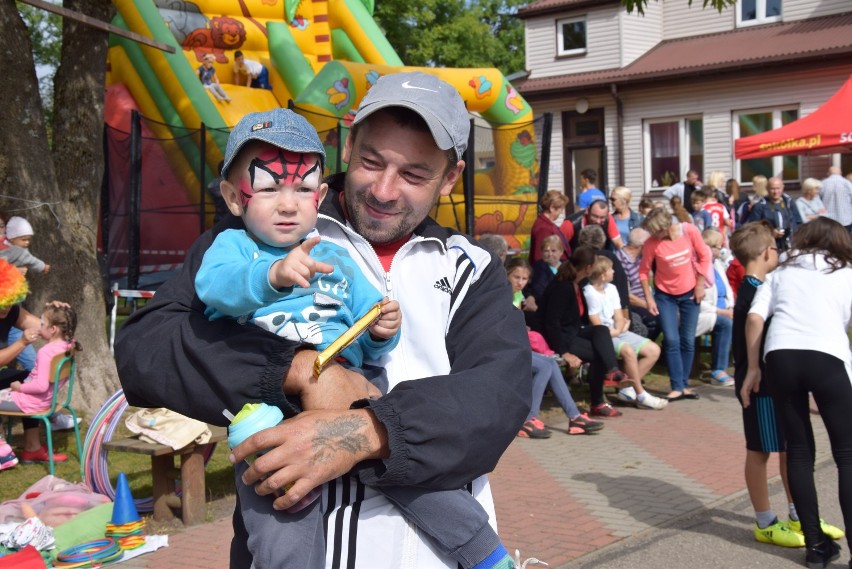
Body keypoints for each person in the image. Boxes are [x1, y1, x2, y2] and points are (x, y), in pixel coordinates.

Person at [115, 71, 532, 569]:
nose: (383, 189)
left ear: (450, 178)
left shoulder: (471, 268)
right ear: (348, 143)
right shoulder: (259, 235)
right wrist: (302, 372)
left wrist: (363, 431)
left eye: (414, 175)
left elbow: (497, 396)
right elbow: (145, 349)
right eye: (370, 161)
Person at [742, 217, 851, 568]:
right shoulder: (845, 271)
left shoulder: (781, 272)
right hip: (827, 358)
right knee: (847, 455)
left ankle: (816, 549)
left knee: (800, 452)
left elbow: (755, 318)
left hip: (781, 358)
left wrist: (753, 368)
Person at [728, 223, 819, 550]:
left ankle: (799, 513)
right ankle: (765, 521)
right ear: (767, 252)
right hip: (759, 385)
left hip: (774, 382)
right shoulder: (753, 291)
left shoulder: (760, 286)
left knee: (786, 448)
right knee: (761, 450)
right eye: (776, 249)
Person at [505, 258, 604, 437]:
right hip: (501, 350)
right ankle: (527, 420)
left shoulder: (518, 296)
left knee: (550, 364)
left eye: (524, 279)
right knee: (544, 366)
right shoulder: (500, 296)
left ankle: (574, 418)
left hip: (515, 347)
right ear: (507, 275)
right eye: (516, 277)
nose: (520, 282)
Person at [538, 246, 629, 419]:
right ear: (588, 268)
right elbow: (551, 323)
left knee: (601, 330)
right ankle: (598, 403)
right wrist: (564, 352)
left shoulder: (577, 283)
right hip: (558, 337)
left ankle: (612, 370)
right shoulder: (563, 287)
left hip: (572, 331)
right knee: (597, 353)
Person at [0, 260, 74, 467]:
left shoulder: (13, 310)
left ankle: (32, 448)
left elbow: (45, 328)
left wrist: (58, 316)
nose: (6, 307)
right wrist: (22, 342)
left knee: (26, 378)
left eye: (10, 301)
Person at [640, 207, 710, 400]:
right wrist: (649, 297)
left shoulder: (689, 231)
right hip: (665, 295)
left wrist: (700, 285)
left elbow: (705, 256)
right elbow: (644, 272)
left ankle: (684, 384)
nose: (654, 235)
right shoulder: (651, 243)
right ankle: (676, 386)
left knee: (688, 339)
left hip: (690, 292)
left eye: (657, 231)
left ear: (667, 226)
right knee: (671, 339)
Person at [582, 256, 666, 410]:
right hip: (603, 335)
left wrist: (619, 329)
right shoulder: (589, 292)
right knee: (628, 350)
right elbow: (596, 323)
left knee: (654, 350)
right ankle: (641, 394)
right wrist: (614, 332)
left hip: (616, 330)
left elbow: (619, 315)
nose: (614, 271)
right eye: (611, 269)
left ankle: (627, 388)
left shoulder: (611, 288)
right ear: (602, 275)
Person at [696, 229, 734, 387]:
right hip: (705, 313)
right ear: (709, 247)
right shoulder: (697, 266)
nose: (722, 249)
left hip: (725, 309)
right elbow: (698, 302)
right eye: (719, 246)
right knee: (726, 323)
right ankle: (718, 370)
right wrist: (723, 312)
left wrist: (731, 306)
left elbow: (727, 292)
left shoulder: (717, 264)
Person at [615, 227, 659, 340]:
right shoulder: (620, 261)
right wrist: (648, 305)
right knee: (657, 320)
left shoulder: (639, 258)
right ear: (643, 245)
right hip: (631, 307)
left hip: (645, 302)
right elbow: (626, 296)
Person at [747, 177, 797, 251]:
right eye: (772, 189)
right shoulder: (760, 206)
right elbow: (752, 228)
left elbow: (799, 223)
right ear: (767, 188)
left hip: (790, 246)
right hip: (769, 247)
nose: (776, 192)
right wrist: (770, 233)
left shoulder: (789, 203)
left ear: (783, 187)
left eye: (778, 188)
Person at [529, 190, 571, 264]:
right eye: (560, 209)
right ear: (552, 208)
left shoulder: (546, 224)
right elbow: (540, 258)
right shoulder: (543, 228)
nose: (561, 212)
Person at [820, 165, 852, 232]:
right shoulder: (847, 183)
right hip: (845, 219)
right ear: (840, 173)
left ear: (828, 173)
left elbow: (818, 201)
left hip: (828, 219)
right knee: (845, 240)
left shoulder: (822, 184)